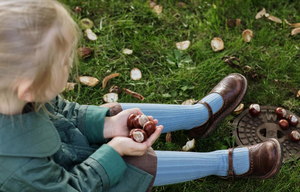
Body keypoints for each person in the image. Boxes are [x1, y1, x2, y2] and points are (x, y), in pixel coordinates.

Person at [0, 0, 283, 191]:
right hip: (75, 179)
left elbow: (64, 111)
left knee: (116, 115)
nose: (71, 68)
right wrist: (112, 153)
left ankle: (199, 117)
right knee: (135, 163)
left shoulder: (13, 89)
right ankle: (223, 163)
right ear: (28, 89)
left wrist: (106, 125)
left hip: (66, 145)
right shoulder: (17, 168)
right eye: (64, 64)